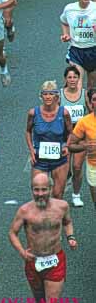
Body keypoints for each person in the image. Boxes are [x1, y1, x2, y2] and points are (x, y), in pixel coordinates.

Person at [9, 173, 77, 303]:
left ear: (51, 189)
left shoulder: (62, 207)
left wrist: (70, 236)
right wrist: (22, 252)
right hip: (33, 261)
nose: (40, 194)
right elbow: (12, 233)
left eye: (44, 189)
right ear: (31, 190)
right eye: (36, 190)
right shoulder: (24, 211)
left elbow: (68, 222)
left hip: (55, 260)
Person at [26, 80, 73, 199]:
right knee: (39, 195)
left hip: (59, 158)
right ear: (41, 96)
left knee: (57, 194)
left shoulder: (64, 113)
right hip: (39, 159)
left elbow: (70, 133)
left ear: (56, 96)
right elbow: (28, 131)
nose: (48, 97)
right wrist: (31, 151)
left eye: (51, 94)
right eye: (45, 94)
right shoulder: (33, 113)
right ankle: (41, 217)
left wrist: (66, 146)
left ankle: (56, 217)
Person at [60, 65, 90, 206]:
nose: (72, 80)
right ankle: (67, 178)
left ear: (79, 79)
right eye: (70, 77)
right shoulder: (59, 95)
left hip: (80, 136)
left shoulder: (84, 94)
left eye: (75, 77)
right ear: (65, 79)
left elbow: (91, 113)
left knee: (77, 167)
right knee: (65, 169)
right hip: (64, 136)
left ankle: (76, 195)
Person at [60, 0, 96, 88]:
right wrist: (66, 34)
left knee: (92, 87)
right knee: (76, 84)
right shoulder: (69, 9)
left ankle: (88, 104)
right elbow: (64, 21)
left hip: (93, 50)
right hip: (76, 50)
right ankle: (75, 104)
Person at [68, 87, 96, 210]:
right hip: (93, 166)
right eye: (95, 99)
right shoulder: (84, 122)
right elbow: (70, 145)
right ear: (90, 103)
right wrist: (84, 146)